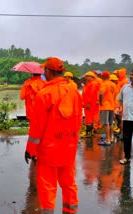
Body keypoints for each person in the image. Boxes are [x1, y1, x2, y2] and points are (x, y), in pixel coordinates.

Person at [26, 57, 82, 213]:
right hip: (69, 148)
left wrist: (30, 150)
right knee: (69, 183)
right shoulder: (74, 92)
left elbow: (37, 129)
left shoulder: (44, 94)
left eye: (45, 70)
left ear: (48, 71)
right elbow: (78, 121)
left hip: (48, 150)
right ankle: (70, 211)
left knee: (48, 186)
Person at [98, 71, 117, 145]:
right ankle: (111, 138)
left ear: (103, 76)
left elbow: (101, 94)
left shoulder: (104, 84)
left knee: (106, 124)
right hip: (111, 105)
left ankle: (107, 140)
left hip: (105, 106)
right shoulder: (113, 84)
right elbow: (115, 95)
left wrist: (100, 102)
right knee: (110, 123)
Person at [81, 71, 100, 137]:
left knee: (89, 118)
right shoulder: (90, 84)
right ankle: (91, 132)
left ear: (91, 77)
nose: (85, 78)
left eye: (87, 76)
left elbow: (91, 94)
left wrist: (88, 103)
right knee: (90, 118)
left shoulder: (93, 84)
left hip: (91, 104)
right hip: (90, 104)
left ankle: (89, 133)